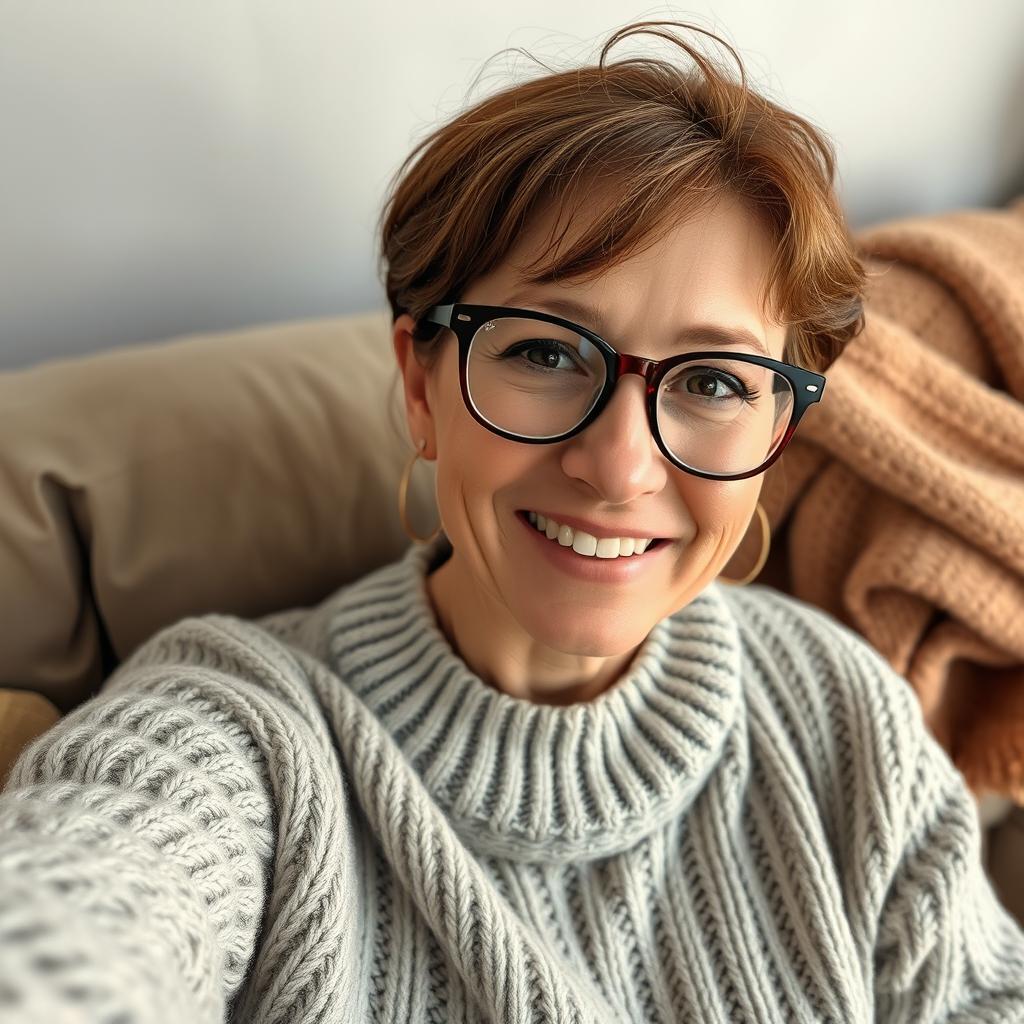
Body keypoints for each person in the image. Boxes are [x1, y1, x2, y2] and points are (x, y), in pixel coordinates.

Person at [1, 18, 1022, 1024]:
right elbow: (62, 934)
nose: (620, 467)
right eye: (545, 352)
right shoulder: (237, 733)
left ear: (779, 436)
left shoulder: (843, 716)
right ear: (420, 381)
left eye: (712, 380)